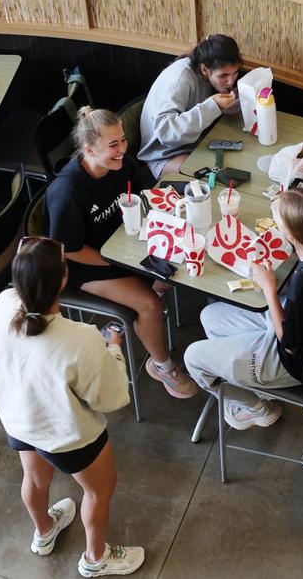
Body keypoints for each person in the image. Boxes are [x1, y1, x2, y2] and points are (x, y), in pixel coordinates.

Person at [0, 236, 144, 577]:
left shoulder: (2, 304)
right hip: (68, 435)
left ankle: (44, 532)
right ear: (62, 280)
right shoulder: (82, 338)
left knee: (33, 478)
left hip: (19, 419)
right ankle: (95, 558)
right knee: (99, 491)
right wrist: (112, 349)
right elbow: (112, 398)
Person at [183, 188, 303, 428]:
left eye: (277, 218)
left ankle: (255, 407)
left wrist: (269, 289)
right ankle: (245, 377)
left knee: (193, 358)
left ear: (291, 234)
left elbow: (289, 345)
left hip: (296, 362)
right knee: (210, 316)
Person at [45, 107, 198, 399]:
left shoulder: (123, 165)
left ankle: (137, 314)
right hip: (86, 265)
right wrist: (113, 259)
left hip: (123, 247)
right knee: (150, 304)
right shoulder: (67, 192)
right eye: (113, 145)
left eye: (123, 141)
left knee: (175, 269)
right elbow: (66, 249)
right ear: (89, 149)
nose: (123, 150)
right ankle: (162, 366)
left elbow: (143, 199)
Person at [137, 34, 243, 179]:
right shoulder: (180, 78)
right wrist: (213, 106)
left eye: (235, 73)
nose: (230, 81)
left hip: (194, 143)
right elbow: (166, 132)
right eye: (223, 76)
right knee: (214, 176)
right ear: (205, 69)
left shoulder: (205, 70)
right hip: (163, 155)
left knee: (236, 160)